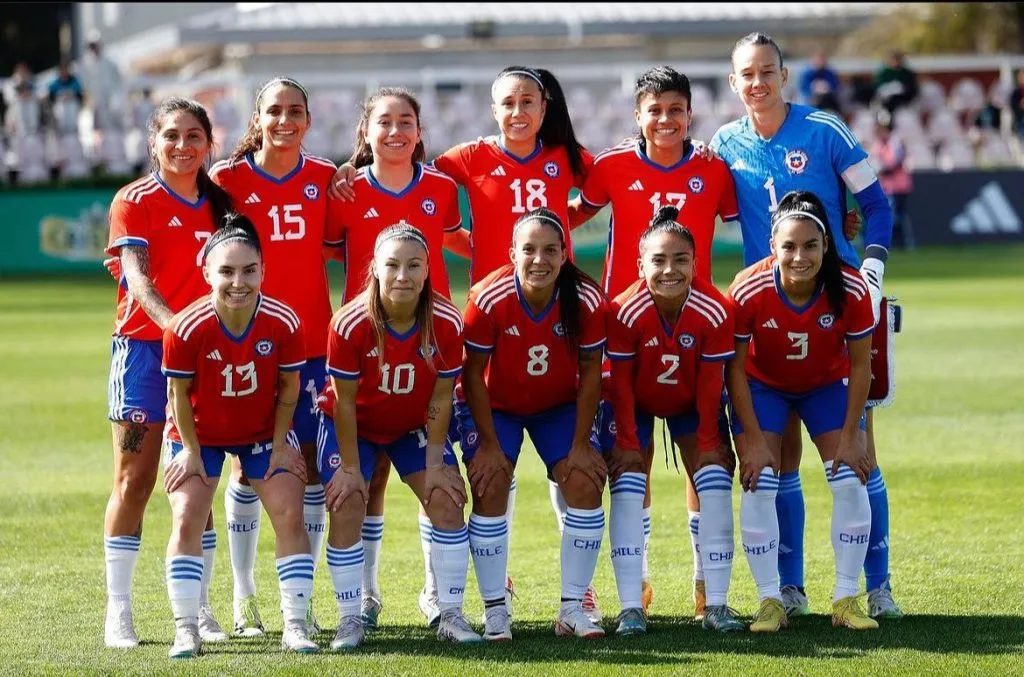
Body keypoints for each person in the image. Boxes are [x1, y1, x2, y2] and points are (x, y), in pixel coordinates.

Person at [330, 66, 596, 622]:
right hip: (397, 331)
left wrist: (554, 229)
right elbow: (335, 243)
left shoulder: (554, 159)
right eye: (508, 102)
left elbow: (599, 190)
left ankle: (448, 589)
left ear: (543, 107)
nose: (519, 111)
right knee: (375, 474)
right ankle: (367, 596)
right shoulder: (457, 163)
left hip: (445, 331)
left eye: (529, 101)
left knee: (450, 460)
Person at [710, 31, 901, 621]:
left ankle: (877, 587)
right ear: (735, 81)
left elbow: (878, 205)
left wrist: (868, 266)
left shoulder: (825, 131)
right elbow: (703, 206)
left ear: (784, 75)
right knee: (778, 461)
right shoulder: (723, 143)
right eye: (747, 74)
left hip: (836, 310)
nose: (758, 82)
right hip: (762, 312)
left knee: (857, 454)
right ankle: (787, 590)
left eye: (768, 71)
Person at [570, 65, 740, 620]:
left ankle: (705, 586)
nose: (665, 119)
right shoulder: (613, 164)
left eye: (675, 109)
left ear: (690, 113)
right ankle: (634, 589)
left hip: (698, 332)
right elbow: (572, 212)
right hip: (625, 332)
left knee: (708, 460)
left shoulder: (714, 169)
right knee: (629, 465)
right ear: (637, 116)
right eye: (654, 110)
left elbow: (758, 217)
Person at [327, 86, 469, 631]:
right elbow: (321, 248)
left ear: (419, 129)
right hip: (363, 341)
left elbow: (453, 238)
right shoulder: (346, 187)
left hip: (429, 337)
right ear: (365, 131)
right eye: (382, 122)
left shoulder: (440, 186)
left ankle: (439, 597)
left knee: (433, 477)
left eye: (405, 121)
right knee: (368, 481)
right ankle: (362, 598)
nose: (394, 132)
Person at [208, 76, 340, 638]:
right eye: (274, 111)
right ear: (256, 119)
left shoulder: (328, 178)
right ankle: (244, 597)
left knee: (304, 468)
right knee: (246, 466)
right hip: (245, 346)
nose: (285, 121)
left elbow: (344, 243)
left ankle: (299, 601)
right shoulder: (226, 180)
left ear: (308, 120)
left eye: (295, 111)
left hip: (311, 347)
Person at [102, 97, 233, 649]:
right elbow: (136, 276)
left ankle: (197, 606)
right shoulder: (135, 200)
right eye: (171, 136)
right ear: (153, 142)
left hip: (206, 357)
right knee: (136, 479)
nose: (183, 146)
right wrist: (177, 327)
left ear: (209, 143)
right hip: (144, 353)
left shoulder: (221, 204)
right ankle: (120, 610)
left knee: (195, 479)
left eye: (193, 136)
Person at [315, 224, 481, 649]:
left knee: (446, 497)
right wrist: (350, 469)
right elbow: (345, 403)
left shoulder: (445, 322)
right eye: (392, 265)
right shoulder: (349, 323)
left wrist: (436, 465)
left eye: (413, 265)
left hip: (412, 428)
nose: (402, 275)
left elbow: (442, 399)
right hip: (354, 427)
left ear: (428, 270)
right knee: (348, 500)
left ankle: (450, 613)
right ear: (374, 268)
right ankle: (350, 618)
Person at [161, 216, 317, 658]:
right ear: (207, 273)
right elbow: (178, 393)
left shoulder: (284, 321)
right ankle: (186, 627)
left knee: (290, 511)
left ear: (263, 271)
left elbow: (288, 389)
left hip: (260, 432)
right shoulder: (185, 327)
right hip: (200, 433)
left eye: (249, 270)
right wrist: (190, 452)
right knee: (189, 514)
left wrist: (283, 442)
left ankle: (295, 624)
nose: (238, 282)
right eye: (226, 272)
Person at [726, 190, 879, 632]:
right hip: (763, 387)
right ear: (773, 247)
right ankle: (770, 601)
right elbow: (734, 371)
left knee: (850, 477)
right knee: (759, 481)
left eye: (810, 245)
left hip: (824, 387)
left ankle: (846, 599)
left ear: (826, 246)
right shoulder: (748, 287)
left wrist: (855, 433)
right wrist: (751, 439)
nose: (799, 256)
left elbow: (861, 365)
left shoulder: (850, 288)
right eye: (788, 246)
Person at [459, 207, 609, 641]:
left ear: (565, 255)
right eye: (529, 250)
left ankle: (572, 608)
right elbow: (472, 376)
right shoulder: (488, 299)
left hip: (557, 407)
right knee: (490, 482)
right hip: (498, 406)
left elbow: (591, 372)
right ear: (512, 254)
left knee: (583, 481)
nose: (539, 260)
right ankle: (495, 610)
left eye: (550, 250)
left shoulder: (585, 300)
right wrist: (488, 446)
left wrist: (581, 444)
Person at [603, 206, 739, 634]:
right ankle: (631, 604)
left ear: (696, 263)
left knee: (714, 480)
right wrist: (626, 439)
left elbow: (710, 383)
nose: (669, 270)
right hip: (636, 404)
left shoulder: (715, 308)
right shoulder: (623, 309)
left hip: (690, 406)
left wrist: (708, 440)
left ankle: (713, 600)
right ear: (640, 264)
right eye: (658, 260)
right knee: (627, 486)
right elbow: (621, 383)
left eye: (680, 260)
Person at [869, 110, 915, 251]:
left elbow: (895, 162)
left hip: (900, 186)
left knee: (899, 215)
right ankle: (895, 243)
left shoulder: (896, 141)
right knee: (891, 216)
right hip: (886, 187)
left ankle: (906, 242)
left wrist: (881, 169)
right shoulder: (878, 144)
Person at [798, 49, 843, 115]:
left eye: (823, 60)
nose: (821, 62)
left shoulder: (829, 73)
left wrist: (827, 87)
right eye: (819, 60)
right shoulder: (806, 73)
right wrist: (814, 87)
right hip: (810, 101)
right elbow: (802, 88)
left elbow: (836, 86)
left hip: (828, 101)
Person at [873, 50, 919, 114]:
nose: (895, 62)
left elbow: (912, 87)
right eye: (893, 59)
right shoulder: (883, 73)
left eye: (897, 59)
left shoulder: (907, 73)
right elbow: (878, 87)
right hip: (887, 98)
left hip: (903, 98)